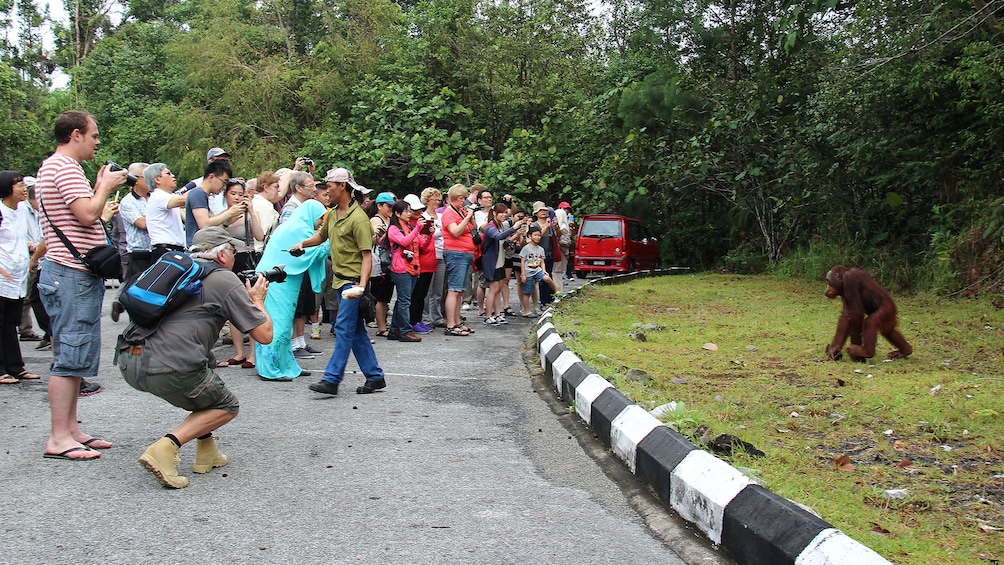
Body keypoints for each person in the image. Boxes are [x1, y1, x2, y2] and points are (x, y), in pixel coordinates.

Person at [118, 226, 273, 488]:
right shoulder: (224, 279)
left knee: (207, 369)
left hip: (129, 358)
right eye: (233, 251)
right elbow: (264, 335)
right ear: (223, 255)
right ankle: (166, 447)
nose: (235, 256)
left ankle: (207, 452)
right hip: (166, 368)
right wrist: (258, 300)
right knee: (225, 405)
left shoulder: (178, 272)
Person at [37, 110, 128, 460]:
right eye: (94, 135)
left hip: (69, 273)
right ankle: (59, 437)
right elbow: (89, 214)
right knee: (69, 354)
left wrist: (97, 187)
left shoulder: (55, 168)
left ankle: (71, 428)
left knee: (75, 354)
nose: (97, 141)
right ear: (75, 135)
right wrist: (104, 186)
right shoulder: (64, 167)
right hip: (70, 274)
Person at [291, 168, 385, 395]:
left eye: (329, 186)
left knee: (343, 328)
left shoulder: (359, 219)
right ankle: (375, 376)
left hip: (352, 284)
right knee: (355, 332)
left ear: (342, 186)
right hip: (340, 281)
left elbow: (366, 256)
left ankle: (332, 379)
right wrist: (302, 244)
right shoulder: (333, 214)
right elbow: (321, 237)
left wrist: (361, 286)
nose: (325, 190)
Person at [254, 200, 328, 381]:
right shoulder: (297, 230)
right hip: (275, 282)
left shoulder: (296, 227)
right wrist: (330, 242)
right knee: (276, 325)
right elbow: (312, 253)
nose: (320, 223)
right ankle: (269, 369)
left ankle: (286, 365)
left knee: (284, 325)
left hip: (284, 281)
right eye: (320, 219)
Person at [216, 179, 266, 369]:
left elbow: (260, 236)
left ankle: (253, 355)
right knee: (232, 307)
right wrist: (227, 217)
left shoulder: (248, 214)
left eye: (240, 193)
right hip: (228, 260)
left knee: (249, 306)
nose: (236, 197)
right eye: (233, 194)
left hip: (247, 260)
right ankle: (239, 353)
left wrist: (251, 211)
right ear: (225, 195)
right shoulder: (219, 215)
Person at [0, 171, 39, 384]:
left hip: (17, 275)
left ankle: (16, 367)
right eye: (19, 185)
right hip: (2, 274)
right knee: (1, 323)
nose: (24, 189)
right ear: (6, 188)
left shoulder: (22, 210)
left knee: (11, 323)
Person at [386, 199, 429, 342]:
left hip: (412, 267)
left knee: (402, 301)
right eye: (406, 211)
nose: (409, 213)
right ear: (397, 213)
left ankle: (394, 330)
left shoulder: (410, 226)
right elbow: (404, 242)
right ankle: (405, 331)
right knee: (405, 301)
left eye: (410, 210)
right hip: (400, 268)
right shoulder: (393, 229)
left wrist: (428, 233)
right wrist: (417, 228)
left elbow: (422, 244)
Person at [440, 183, 478, 336]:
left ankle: (457, 321)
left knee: (460, 291)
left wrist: (470, 215)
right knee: (453, 290)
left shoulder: (461, 211)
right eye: (461, 198)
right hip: (455, 253)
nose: (464, 201)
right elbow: (455, 231)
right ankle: (450, 324)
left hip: (466, 253)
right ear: (453, 198)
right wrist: (467, 216)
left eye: (464, 198)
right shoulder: (449, 214)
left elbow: (473, 227)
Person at [481, 203, 526, 325]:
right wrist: (514, 228)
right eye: (501, 212)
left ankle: (497, 314)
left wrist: (514, 237)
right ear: (494, 213)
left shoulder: (499, 226)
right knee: (493, 289)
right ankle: (488, 315)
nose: (504, 215)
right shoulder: (490, 227)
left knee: (499, 287)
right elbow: (498, 237)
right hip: (492, 262)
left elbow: (503, 242)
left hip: (501, 261)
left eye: (506, 212)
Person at [17, 175, 45, 343]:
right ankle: (25, 328)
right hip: (27, 255)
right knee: (28, 296)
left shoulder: (35, 210)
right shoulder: (20, 209)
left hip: (37, 254)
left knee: (32, 295)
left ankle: (27, 329)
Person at [403, 194, 435, 334]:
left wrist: (430, 234)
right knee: (414, 295)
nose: (418, 212)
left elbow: (423, 244)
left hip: (428, 263)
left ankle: (417, 320)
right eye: (414, 210)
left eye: (420, 209)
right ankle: (411, 321)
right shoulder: (408, 225)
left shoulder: (421, 223)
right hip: (416, 264)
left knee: (421, 294)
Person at [144, 163, 187, 262]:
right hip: (166, 251)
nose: (173, 176)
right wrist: (202, 187)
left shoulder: (168, 196)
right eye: (168, 173)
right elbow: (184, 200)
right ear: (157, 179)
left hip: (174, 250)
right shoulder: (158, 196)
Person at [368, 191, 395, 338]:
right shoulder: (376, 220)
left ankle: (383, 323)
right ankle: (381, 326)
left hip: (387, 261)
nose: (390, 208)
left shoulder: (389, 219)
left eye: (392, 206)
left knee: (386, 296)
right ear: (379, 206)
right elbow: (374, 240)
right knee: (380, 296)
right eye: (388, 206)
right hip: (379, 262)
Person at [419, 188, 447, 329]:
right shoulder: (423, 217)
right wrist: (440, 232)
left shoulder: (441, 217)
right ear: (427, 200)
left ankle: (436, 317)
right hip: (428, 255)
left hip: (441, 254)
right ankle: (424, 317)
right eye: (434, 199)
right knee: (427, 289)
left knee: (438, 289)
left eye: (438, 199)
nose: (437, 202)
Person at [519, 225, 558, 317]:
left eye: (539, 235)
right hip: (528, 272)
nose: (537, 237)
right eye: (535, 235)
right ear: (530, 236)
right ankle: (526, 311)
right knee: (527, 292)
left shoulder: (541, 249)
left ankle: (556, 292)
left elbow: (542, 261)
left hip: (537, 269)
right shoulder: (526, 248)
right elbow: (522, 261)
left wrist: (544, 270)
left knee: (547, 279)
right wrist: (523, 274)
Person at [530, 201, 561, 306]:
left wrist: (556, 226)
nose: (543, 212)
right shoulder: (534, 225)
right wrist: (546, 227)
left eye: (544, 210)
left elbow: (558, 235)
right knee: (542, 278)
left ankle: (550, 299)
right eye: (540, 210)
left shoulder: (550, 223)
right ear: (536, 213)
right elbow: (537, 237)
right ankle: (544, 301)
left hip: (549, 253)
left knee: (549, 276)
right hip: (537, 255)